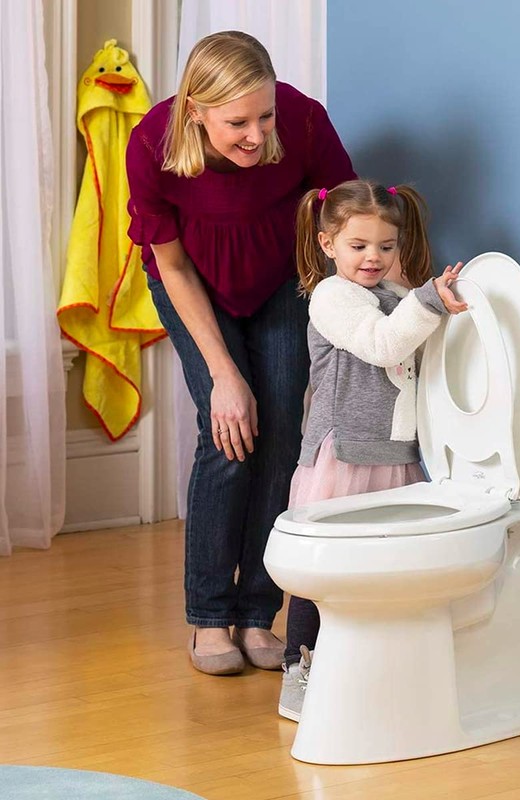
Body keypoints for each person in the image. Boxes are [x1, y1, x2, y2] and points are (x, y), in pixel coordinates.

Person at [125, 31, 357, 675]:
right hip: (193, 285)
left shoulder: (303, 120)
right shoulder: (151, 144)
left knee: (281, 431)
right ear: (196, 110)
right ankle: (209, 617)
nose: (256, 135)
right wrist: (224, 374)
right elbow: (170, 264)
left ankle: (258, 614)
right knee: (227, 428)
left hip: (282, 282)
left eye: (265, 116)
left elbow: (345, 216)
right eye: (237, 123)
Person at [276, 179, 467, 720]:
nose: (373, 257)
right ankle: (299, 667)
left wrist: (437, 305)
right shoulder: (332, 297)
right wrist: (427, 299)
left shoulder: (395, 296)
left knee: (386, 563)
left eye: (386, 245)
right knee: (323, 569)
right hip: (344, 455)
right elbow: (384, 344)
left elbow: (422, 354)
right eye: (358, 245)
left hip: (394, 452)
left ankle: (375, 670)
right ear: (327, 243)